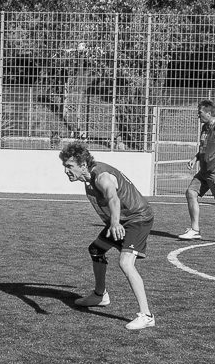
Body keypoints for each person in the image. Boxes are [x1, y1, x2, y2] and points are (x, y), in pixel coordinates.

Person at [59, 142, 156, 331]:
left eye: (70, 166)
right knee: (96, 249)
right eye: (65, 166)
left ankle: (147, 315)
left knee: (126, 263)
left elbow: (113, 197)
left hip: (137, 219)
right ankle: (100, 295)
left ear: (83, 165)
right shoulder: (88, 178)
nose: (66, 171)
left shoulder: (101, 177)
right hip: (122, 220)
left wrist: (115, 222)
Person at [178, 100, 215, 246]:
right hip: (203, 172)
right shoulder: (205, 127)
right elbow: (204, 147)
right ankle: (195, 230)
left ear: (208, 113)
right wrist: (195, 157)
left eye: (200, 113)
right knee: (191, 193)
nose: (198, 116)